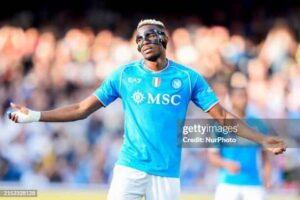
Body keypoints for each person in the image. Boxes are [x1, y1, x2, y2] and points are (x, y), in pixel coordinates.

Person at [8, 19, 286, 200]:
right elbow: (82, 108)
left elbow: (224, 118)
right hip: (129, 167)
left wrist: (262, 139)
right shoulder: (124, 75)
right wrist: (34, 116)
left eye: (150, 36)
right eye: (139, 39)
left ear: (164, 39)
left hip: (166, 173)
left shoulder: (188, 78)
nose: (144, 42)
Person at [208, 86, 272, 200]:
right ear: (231, 99)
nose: (243, 100)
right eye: (239, 97)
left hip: (253, 184)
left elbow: (265, 156)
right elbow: (212, 155)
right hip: (228, 183)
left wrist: (267, 177)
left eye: (245, 97)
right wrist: (226, 164)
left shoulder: (259, 125)